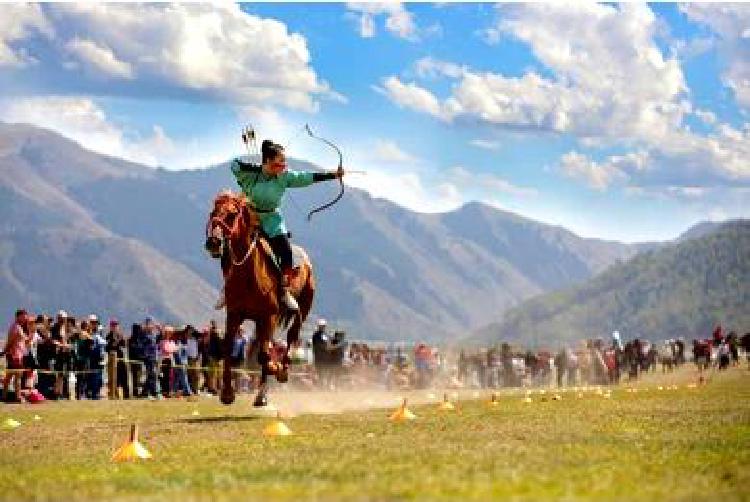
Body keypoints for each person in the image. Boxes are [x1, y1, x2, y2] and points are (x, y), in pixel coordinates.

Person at [224, 139, 344, 311]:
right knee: (230, 248)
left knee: (286, 253)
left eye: (283, 162)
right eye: (278, 162)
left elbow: (306, 177)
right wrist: (258, 169)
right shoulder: (249, 174)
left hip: (272, 220)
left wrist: (333, 175)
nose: (283, 165)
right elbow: (234, 165)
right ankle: (227, 289)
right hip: (249, 218)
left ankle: (284, 291)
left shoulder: (284, 176)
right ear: (267, 161)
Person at [3, 309, 28, 402]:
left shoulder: (20, 327)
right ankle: (17, 397)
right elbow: (10, 341)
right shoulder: (15, 327)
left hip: (18, 355)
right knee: (17, 376)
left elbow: (24, 340)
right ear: (18, 316)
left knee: (10, 376)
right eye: (24, 316)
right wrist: (5, 352)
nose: (25, 318)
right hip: (14, 355)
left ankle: (5, 396)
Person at [106, 319, 129, 399]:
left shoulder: (121, 335)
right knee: (114, 379)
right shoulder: (108, 336)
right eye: (113, 325)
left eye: (116, 325)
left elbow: (124, 346)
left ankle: (126, 395)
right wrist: (115, 343)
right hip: (112, 361)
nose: (114, 327)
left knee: (124, 378)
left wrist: (119, 341)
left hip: (121, 359)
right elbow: (108, 348)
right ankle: (114, 395)